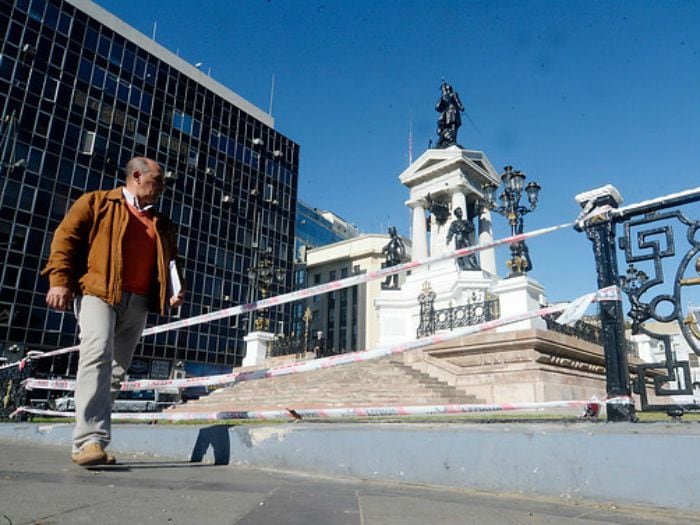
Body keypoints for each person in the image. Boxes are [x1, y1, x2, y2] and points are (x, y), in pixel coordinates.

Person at [42, 156, 184, 466]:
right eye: (158, 180)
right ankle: (87, 441)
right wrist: (59, 281)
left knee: (117, 372)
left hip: (139, 302)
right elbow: (65, 240)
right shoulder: (96, 203)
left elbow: (171, 261)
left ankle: (97, 442)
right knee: (97, 354)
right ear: (137, 176)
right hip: (99, 293)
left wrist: (174, 290)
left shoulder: (162, 223)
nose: (162, 188)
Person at [435, 80, 464, 148]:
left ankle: (451, 140)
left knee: (449, 127)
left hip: (446, 114)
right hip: (453, 111)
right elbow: (457, 102)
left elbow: (437, 107)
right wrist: (461, 107)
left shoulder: (444, 97)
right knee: (453, 126)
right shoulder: (453, 94)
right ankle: (452, 140)